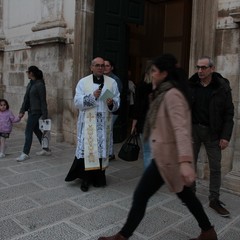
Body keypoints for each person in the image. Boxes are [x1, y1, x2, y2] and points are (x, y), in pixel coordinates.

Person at [98, 54, 217, 240]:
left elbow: (181, 129)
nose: (151, 74)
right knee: (186, 196)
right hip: (164, 157)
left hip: (169, 159)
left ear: (163, 73)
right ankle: (208, 231)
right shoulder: (162, 93)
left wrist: (186, 161)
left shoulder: (172, 95)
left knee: (141, 195)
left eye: (154, 71)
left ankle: (122, 236)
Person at [65, 57, 120, 192]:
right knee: (88, 152)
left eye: (103, 65)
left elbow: (117, 101)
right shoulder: (83, 82)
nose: (100, 68)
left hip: (103, 125)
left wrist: (111, 103)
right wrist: (92, 96)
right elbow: (77, 102)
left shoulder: (112, 82)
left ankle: (99, 179)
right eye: (97, 65)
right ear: (91, 67)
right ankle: (86, 180)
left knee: (101, 152)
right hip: (88, 123)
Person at [189, 56, 234, 217]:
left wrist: (225, 136)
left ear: (211, 69)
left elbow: (229, 114)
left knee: (215, 168)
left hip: (213, 133)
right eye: (198, 67)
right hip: (193, 130)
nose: (200, 71)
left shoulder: (222, 87)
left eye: (203, 68)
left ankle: (214, 199)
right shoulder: (191, 85)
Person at [16, 66, 51, 162]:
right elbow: (26, 98)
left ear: (31, 73)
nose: (27, 73)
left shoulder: (40, 85)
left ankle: (25, 153)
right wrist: (22, 110)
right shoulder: (30, 84)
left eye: (28, 72)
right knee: (36, 130)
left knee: (28, 132)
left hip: (36, 112)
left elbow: (43, 101)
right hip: (31, 111)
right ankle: (46, 149)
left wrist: (44, 115)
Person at [131, 62, 153, 169]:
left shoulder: (141, 86)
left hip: (144, 122)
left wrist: (134, 124)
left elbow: (137, 107)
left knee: (147, 152)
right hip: (158, 123)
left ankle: (149, 178)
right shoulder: (162, 86)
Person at [104, 59, 123, 160]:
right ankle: (110, 152)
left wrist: (102, 96)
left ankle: (110, 153)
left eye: (107, 66)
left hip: (113, 110)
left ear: (112, 67)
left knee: (108, 130)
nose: (105, 68)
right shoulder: (102, 78)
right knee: (108, 130)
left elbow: (116, 96)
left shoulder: (115, 80)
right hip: (104, 109)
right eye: (104, 65)